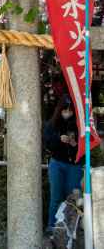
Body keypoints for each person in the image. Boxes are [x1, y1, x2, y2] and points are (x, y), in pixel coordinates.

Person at [44, 95, 84, 232]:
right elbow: (47, 144)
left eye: (70, 111)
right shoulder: (52, 124)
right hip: (57, 163)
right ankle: (52, 227)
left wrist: (75, 144)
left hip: (74, 165)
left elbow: (85, 146)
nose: (67, 113)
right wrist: (58, 139)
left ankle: (69, 230)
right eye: (65, 110)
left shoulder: (80, 124)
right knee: (56, 197)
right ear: (59, 110)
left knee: (72, 198)